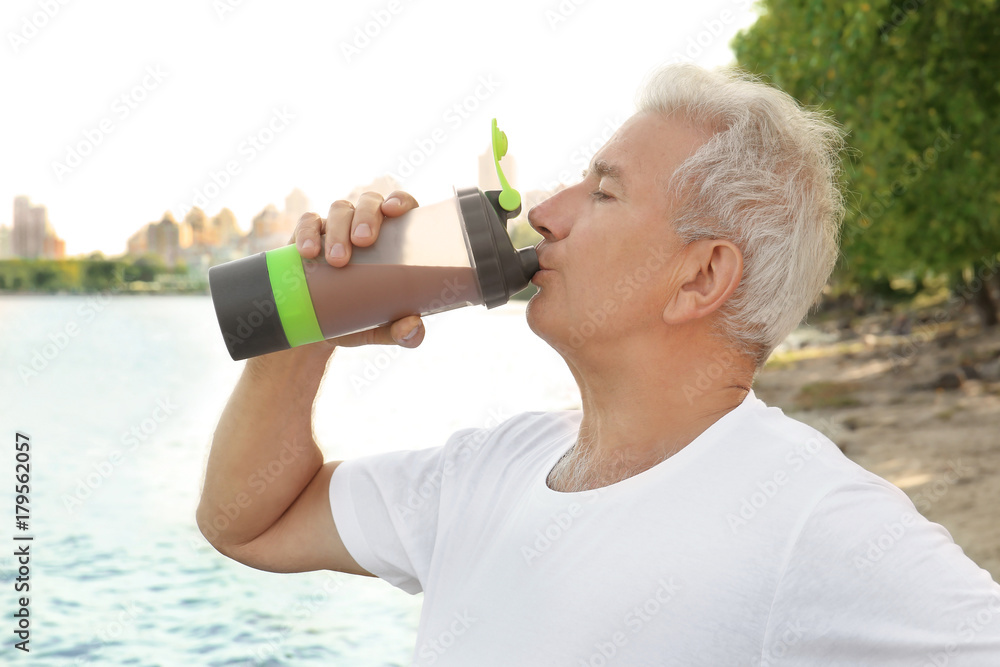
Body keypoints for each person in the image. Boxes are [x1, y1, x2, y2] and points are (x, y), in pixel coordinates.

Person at [197, 64, 1000, 665]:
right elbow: (249, 522)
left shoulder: (811, 517)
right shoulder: (492, 466)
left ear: (701, 277)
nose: (545, 213)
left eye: (603, 193)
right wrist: (308, 324)